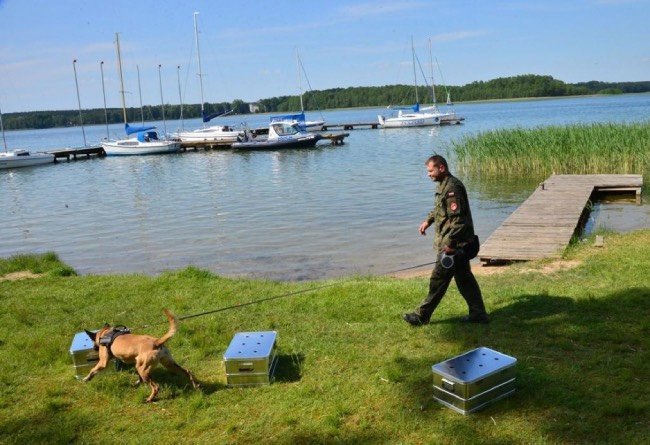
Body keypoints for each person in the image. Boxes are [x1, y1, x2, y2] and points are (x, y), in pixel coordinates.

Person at [403, 155, 489, 326]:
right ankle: (478, 313)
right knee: (464, 279)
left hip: (454, 246)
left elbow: (458, 221)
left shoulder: (452, 188)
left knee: (438, 279)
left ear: (441, 168)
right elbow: (440, 209)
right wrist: (428, 221)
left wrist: (450, 245)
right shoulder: (444, 186)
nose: (428, 174)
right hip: (458, 244)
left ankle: (422, 316)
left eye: (430, 170)